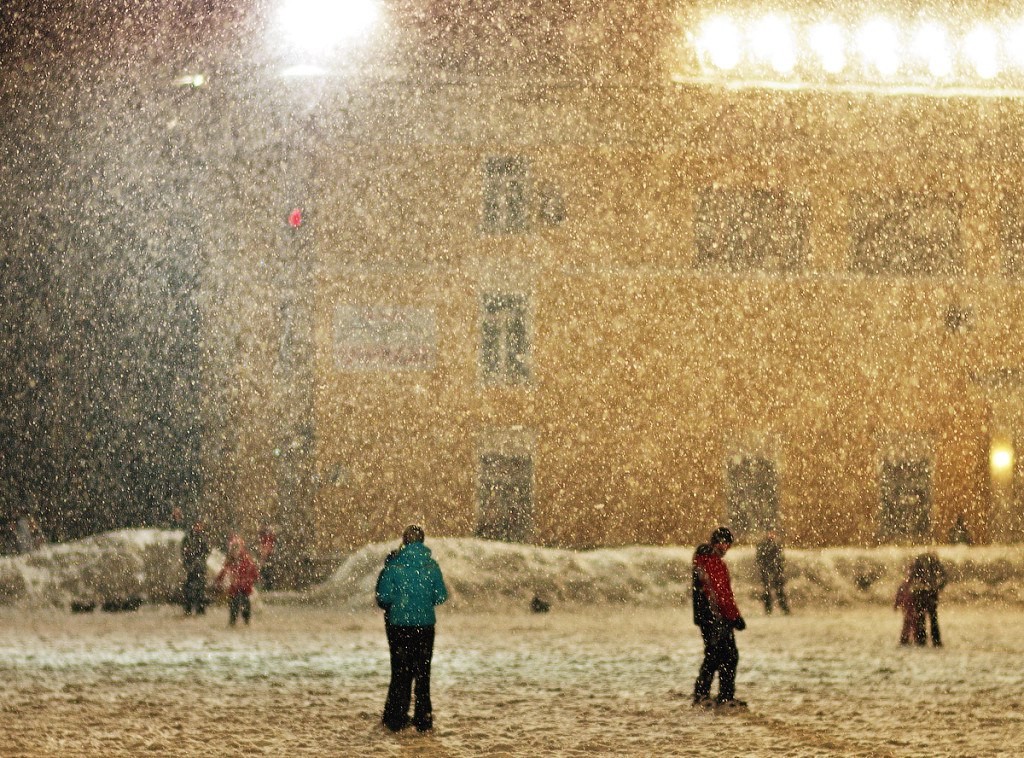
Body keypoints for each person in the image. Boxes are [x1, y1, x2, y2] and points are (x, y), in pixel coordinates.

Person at [375, 525, 449, 733]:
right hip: (425, 626)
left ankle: (396, 717)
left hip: (398, 626)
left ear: (404, 541)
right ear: (422, 541)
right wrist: (423, 601)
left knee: (401, 672)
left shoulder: (394, 565)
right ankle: (423, 718)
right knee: (423, 673)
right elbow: (441, 595)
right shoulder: (431, 565)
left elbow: (383, 597)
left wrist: (399, 603)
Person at [692, 526, 747, 708]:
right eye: (725, 543)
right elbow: (721, 593)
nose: (726, 548)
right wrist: (734, 617)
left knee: (714, 655)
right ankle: (722, 696)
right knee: (727, 656)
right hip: (717, 617)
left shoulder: (702, 561)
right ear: (718, 543)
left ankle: (704, 694)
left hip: (706, 616)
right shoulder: (713, 563)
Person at [215, 535, 259, 626]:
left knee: (245, 606)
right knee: (234, 606)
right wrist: (218, 580)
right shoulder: (230, 559)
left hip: (244, 588)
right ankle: (233, 622)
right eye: (233, 548)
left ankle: (245, 622)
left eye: (236, 548)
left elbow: (254, 573)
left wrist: (248, 582)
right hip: (235, 588)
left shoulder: (246, 559)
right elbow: (223, 571)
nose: (234, 551)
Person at [914, 552, 947, 647]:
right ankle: (934, 640)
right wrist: (937, 587)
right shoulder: (934, 563)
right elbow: (943, 577)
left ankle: (922, 640)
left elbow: (912, 577)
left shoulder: (919, 562)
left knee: (922, 618)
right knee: (932, 618)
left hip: (922, 593)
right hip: (929, 593)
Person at [754, 530, 790, 615]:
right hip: (768, 570)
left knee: (778, 590)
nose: (771, 535)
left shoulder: (775, 545)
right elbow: (760, 558)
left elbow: (781, 558)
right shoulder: (765, 545)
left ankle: (783, 609)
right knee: (768, 591)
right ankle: (769, 609)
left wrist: (779, 568)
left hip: (775, 570)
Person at [181, 519, 211, 615]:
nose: (197, 528)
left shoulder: (203, 538)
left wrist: (199, 560)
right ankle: (188, 608)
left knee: (200, 590)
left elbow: (207, 551)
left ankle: (200, 609)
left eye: (199, 526)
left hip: (200, 568)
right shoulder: (188, 538)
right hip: (190, 567)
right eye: (196, 526)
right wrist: (189, 562)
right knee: (189, 589)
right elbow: (184, 552)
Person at [894, 561, 925, 646]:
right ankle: (913, 639)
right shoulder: (913, 583)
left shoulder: (909, 583)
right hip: (910, 605)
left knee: (911, 623)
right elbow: (900, 593)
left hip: (910, 605)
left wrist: (897, 604)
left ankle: (908, 639)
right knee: (913, 623)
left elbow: (900, 593)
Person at [257, 522, 277, 590]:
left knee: (267, 569)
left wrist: (265, 551)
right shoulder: (266, 536)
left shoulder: (267, 536)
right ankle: (267, 585)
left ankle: (267, 585)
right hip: (267, 554)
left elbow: (267, 545)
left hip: (267, 554)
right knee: (266, 569)